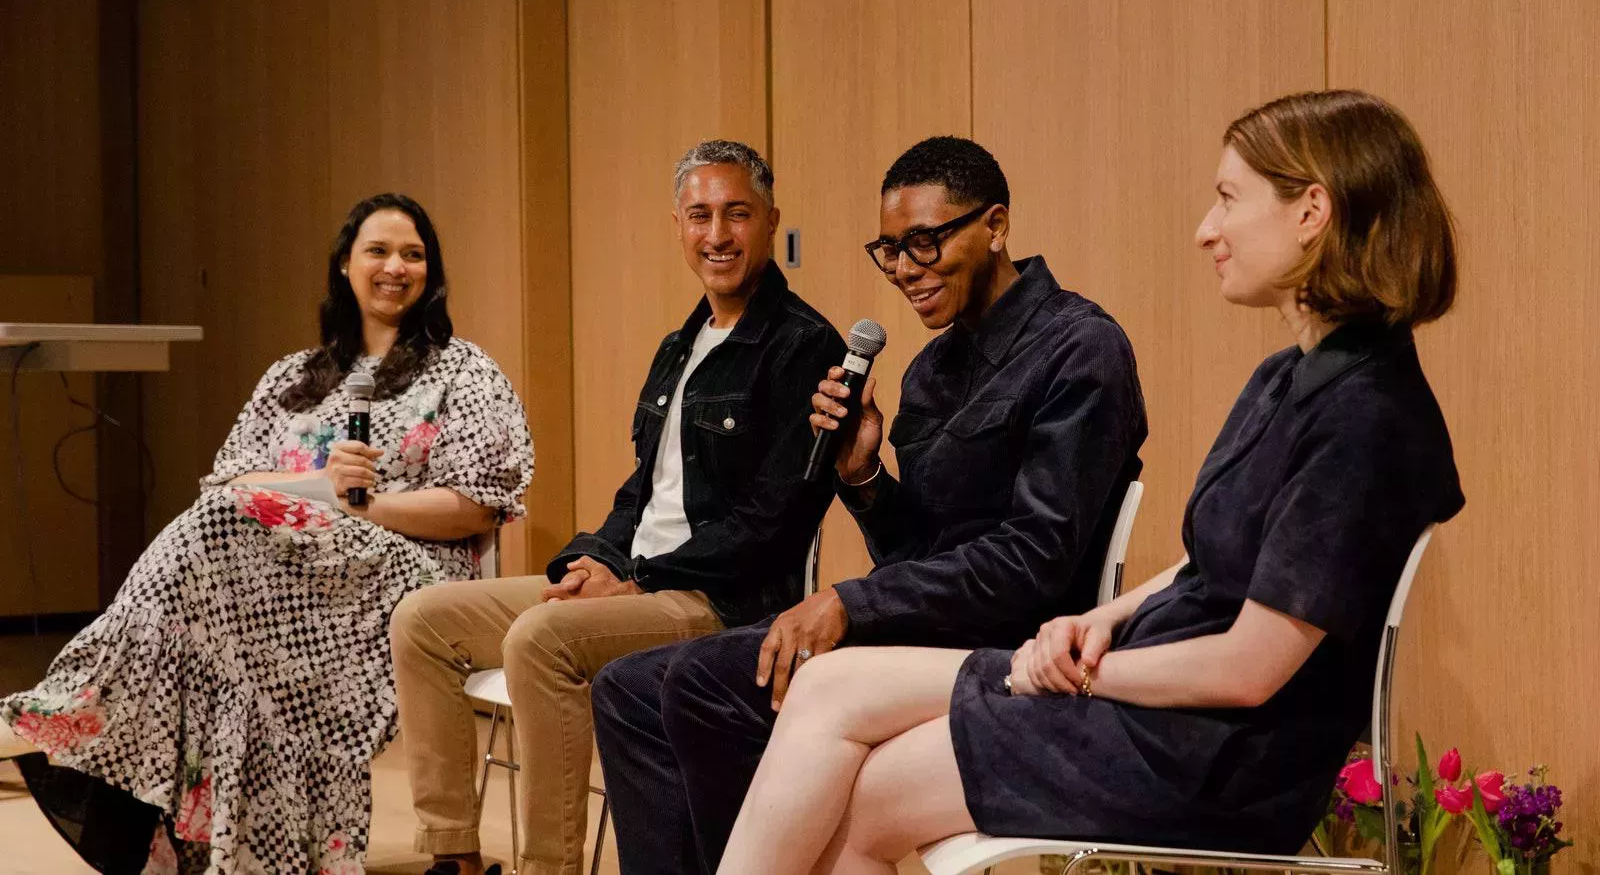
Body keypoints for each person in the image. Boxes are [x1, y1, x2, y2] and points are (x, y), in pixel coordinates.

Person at [715, 90, 1467, 875]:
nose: (1206, 229)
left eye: (1227, 198)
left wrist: (1082, 674)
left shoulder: (1365, 415)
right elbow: (1217, 560)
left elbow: (1249, 670)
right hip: (1155, 700)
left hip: (1217, 757)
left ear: (1312, 210)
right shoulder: (1293, 377)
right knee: (830, 689)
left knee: (876, 785)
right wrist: (1102, 618)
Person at [592, 136, 1148, 875]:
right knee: (627, 688)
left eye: (924, 242)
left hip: (1014, 646)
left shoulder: (1079, 349)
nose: (906, 270)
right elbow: (914, 551)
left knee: (705, 683)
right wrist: (861, 476)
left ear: (996, 225)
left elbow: (1033, 560)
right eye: (889, 250)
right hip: (923, 626)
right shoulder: (928, 371)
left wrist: (851, 602)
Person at [1, 193, 533, 874]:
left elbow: (475, 505)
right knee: (202, 575)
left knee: (208, 564)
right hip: (272, 574)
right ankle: (127, 808)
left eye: (414, 253)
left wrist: (364, 506)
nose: (396, 265)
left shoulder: (462, 371)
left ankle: (71, 708)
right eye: (378, 250)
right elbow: (229, 485)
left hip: (399, 577)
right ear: (345, 265)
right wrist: (320, 485)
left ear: (431, 272)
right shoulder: (294, 376)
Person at [388, 141, 842, 875]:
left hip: (721, 600)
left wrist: (637, 576)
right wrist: (591, 558)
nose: (717, 234)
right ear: (678, 225)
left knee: (542, 640)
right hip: (638, 576)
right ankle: (455, 858)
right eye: (700, 215)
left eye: (737, 214)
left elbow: (772, 521)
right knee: (424, 619)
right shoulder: (679, 344)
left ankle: (551, 867)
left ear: (770, 221)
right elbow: (641, 490)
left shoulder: (801, 343)